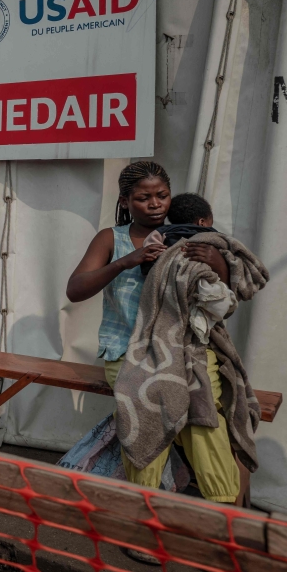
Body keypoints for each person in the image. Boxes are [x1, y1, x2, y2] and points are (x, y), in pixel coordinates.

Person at [67, 163, 237, 505]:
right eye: (144, 198)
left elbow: (230, 293)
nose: (156, 204)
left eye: (162, 195)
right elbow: (75, 290)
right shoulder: (111, 239)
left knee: (204, 422)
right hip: (129, 352)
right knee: (146, 420)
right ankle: (143, 514)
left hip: (187, 352)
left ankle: (224, 514)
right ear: (126, 201)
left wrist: (217, 261)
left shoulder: (192, 235)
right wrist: (125, 261)